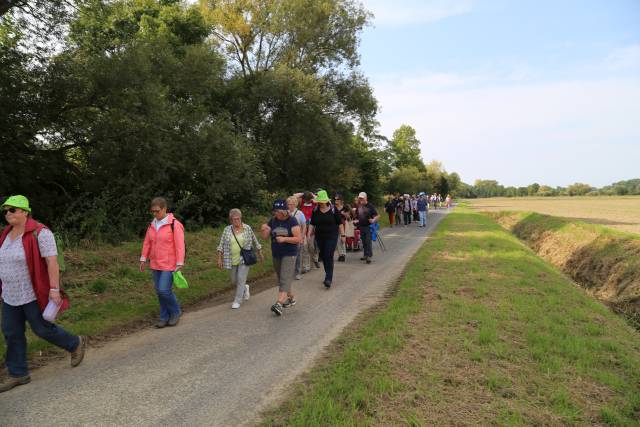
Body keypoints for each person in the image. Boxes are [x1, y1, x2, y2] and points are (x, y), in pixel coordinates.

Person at [0, 195, 86, 393]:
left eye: (12, 210)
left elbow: (51, 262)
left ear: (24, 211)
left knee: (42, 328)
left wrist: (54, 289)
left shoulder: (40, 232)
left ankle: (75, 343)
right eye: (5, 211)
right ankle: (18, 373)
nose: (7, 214)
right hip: (10, 294)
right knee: (11, 332)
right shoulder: (6, 234)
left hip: (32, 292)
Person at [140, 197, 185, 328]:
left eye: (157, 211)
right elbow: (147, 242)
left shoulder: (174, 224)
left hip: (169, 264)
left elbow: (180, 245)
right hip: (155, 263)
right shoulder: (152, 224)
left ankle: (176, 311)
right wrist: (143, 258)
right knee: (159, 292)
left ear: (164, 209)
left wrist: (180, 262)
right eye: (152, 211)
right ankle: (164, 317)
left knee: (164, 290)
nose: (155, 214)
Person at [261, 200, 302, 316]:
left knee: (284, 278)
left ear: (284, 211)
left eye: (278, 211)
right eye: (275, 211)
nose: (276, 214)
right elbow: (264, 237)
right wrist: (264, 229)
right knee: (282, 279)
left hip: (290, 253)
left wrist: (284, 239)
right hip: (276, 253)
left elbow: (298, 238)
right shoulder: (273, 220)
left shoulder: (292, 221)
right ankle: (291, 298)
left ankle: (279, 304)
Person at [216, 209, 264, 309]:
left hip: (244, 258)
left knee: (241, 279)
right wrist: (219, 258)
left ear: (241, 218)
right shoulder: (227, 230)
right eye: (234, 219)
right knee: (234, 280)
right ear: (231, 220)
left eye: (238, 219)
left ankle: (237, 300)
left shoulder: (247, 228)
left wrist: (260, 253)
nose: (237, 221)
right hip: (230, 259)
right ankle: (245, 288)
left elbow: (255, 241)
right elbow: (221, 245)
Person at [309, 191, 344, 288]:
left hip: (332, 236)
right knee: (324, 256)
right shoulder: (315, 210)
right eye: (319, 201)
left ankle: (328, 278)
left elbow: (340, 223)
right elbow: (312, 223)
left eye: (322, 201)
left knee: (328, 254)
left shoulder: (333, 210)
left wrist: (343, 235)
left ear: (326, 201)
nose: (320, 203)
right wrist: (308, 234)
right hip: (320, 237)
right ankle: (328, 273)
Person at [355, 192, 379, 264]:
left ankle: (369, 256)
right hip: (361, 226)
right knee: (363, 241)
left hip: (368, 226)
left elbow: (377, 215)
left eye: (362, 198)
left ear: (366, 198)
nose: (361, 199)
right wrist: (356, 220)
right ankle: (365, 254)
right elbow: (357, 215)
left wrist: (373, 220)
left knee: (368, 241)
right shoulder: (359, 206)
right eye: (360, 198)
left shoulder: (370, 206)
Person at [286, 196, 306, 279]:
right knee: (288, 255)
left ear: (295, 204)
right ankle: (288, 272)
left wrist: (302, 236)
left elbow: (304, 226)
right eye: (289, 204)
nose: (290, 206)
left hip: (298, 237)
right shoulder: (285, 213)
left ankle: (297, 272)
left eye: (292, 204)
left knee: (297, 255)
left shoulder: (300, 213)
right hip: (287, 238)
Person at [333, 193, 347, 262]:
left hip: (343, 224)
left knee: (342, 239)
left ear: (341, 200)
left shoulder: (344, 207)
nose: (336, 200)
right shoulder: (333, 207)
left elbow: (349, 217)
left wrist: (344, 214)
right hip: (335, 225)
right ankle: (340, 254)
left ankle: (343, 254)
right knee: (337, 240)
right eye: (335, 199)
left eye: (337, 199)